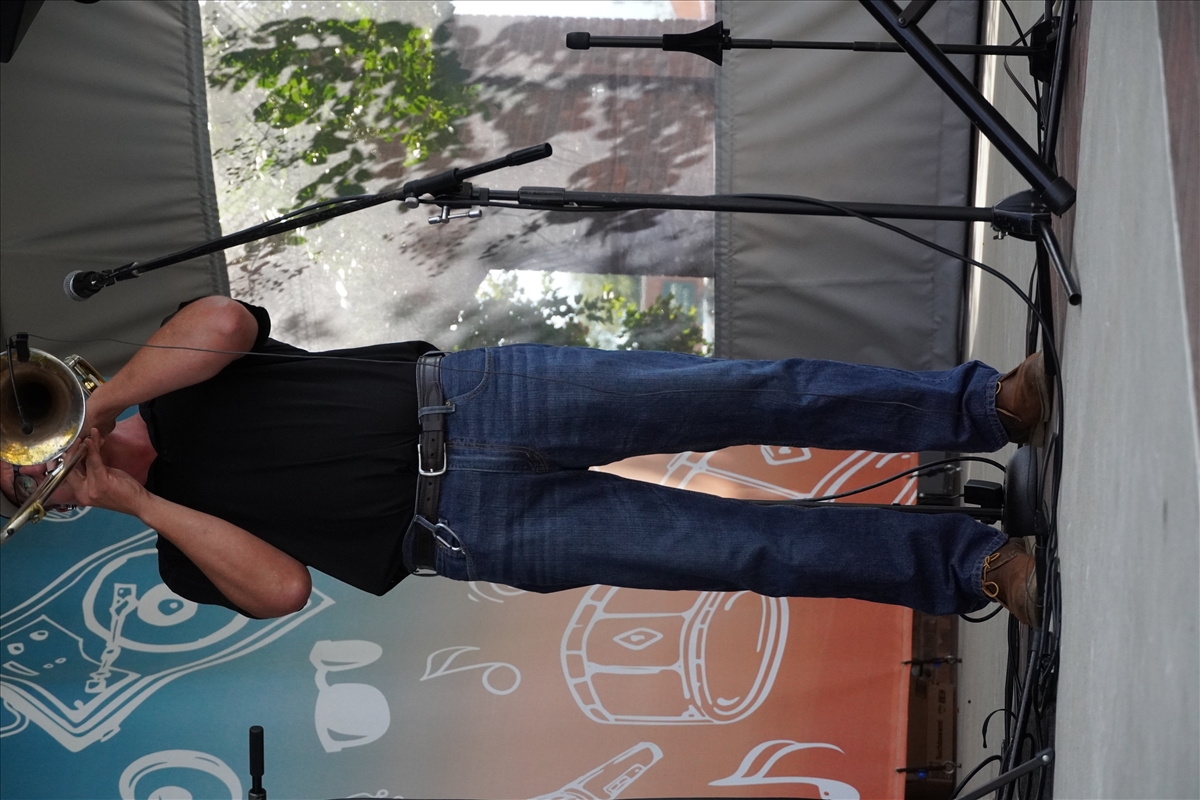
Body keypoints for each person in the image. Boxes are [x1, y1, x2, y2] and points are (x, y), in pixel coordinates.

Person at [1, 295, 1046, 626]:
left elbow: (227, 319)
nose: (34, 457)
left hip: (478, 394)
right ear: (33, 502)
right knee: (743, 547)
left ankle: (983, 405)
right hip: (472, 528)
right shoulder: (176, 554)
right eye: (17, 474)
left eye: (15, 434)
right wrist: (136, 497)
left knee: (750, 390)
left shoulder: (159, 374)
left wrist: (105, 405)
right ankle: (974, 566)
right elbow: (280, 589)